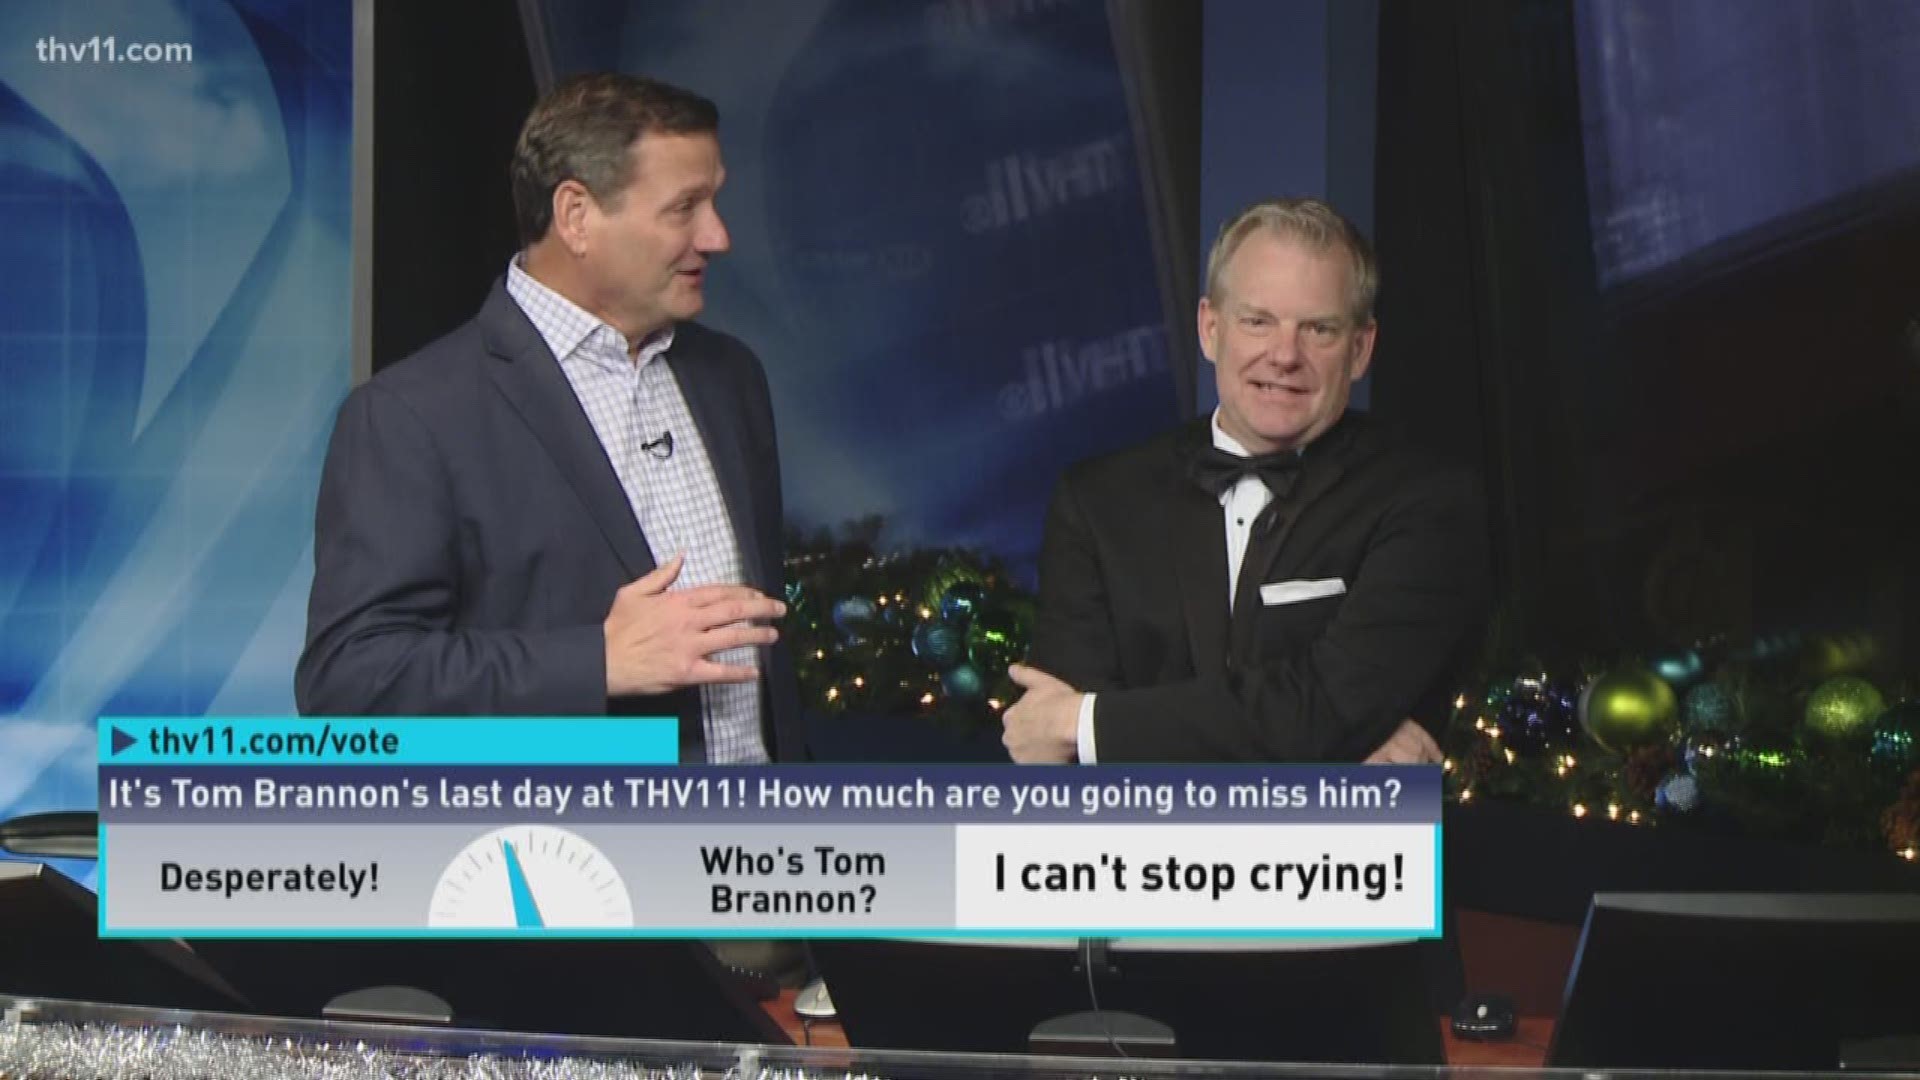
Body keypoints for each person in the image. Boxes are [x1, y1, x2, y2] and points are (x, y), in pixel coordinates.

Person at [295, 72, 801, 766]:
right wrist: (595, 661)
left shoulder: (731, 377)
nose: (717, 236)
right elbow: (350, 682)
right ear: (576, 216)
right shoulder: (412, 416)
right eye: (684, 207)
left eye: (714, 200)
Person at [1002, 197, 1489, 764]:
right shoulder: (1098, 500)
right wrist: (1323, 745)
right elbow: (1067, 765)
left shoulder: (1427, 501)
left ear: (1360, 350)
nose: (1285, 355)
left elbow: (1329, 706)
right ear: (1210, 329)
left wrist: (1089, 724)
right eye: (1257, 321)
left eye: (1319, 329)